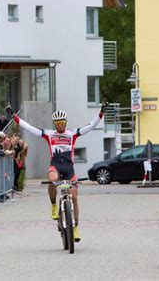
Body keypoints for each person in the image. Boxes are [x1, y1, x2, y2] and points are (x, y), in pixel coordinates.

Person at [8, 103, 107, 242]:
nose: (60, 125)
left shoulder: (72, 133)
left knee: (74, 197)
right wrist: (15, 117)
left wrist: (101, 114)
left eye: (62, 123)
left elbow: (90, 126)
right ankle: (54, 205)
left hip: (69, 169)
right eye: (57, 123)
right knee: (53, 179)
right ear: (55, 124)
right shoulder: (49, 134)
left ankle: (76, 227)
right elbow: (30, 128)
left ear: (65, 122)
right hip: (55, 166)